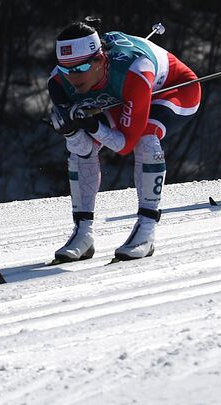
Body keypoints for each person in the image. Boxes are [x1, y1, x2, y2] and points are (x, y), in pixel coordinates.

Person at [46, 18, 201, 262]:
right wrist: (71, 132)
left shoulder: (135, 69)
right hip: (116, 96)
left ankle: (146, 232)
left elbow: (125, 145)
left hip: (175, 89)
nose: (72, 78)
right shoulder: (58, 82)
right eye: (66, 70)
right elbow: (84, 148)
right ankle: (83, 234)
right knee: (81, 146)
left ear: (99, 60)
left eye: (79, 69)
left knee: (146, 138)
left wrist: (92, 125)